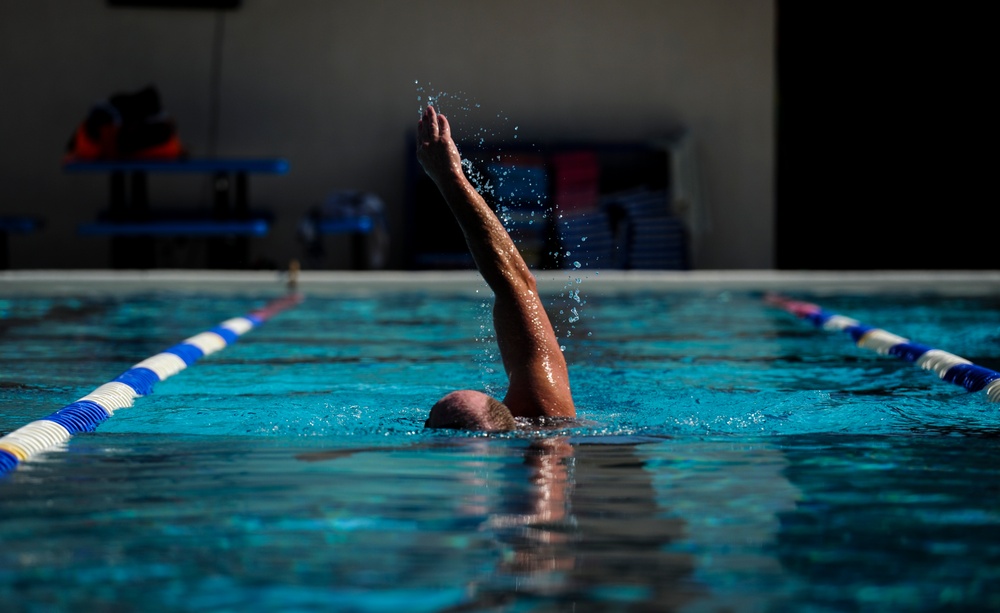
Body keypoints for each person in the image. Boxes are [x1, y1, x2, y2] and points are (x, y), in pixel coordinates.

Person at [415, 105, 575, 431]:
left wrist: (449, 179)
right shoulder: (546, 411)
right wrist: (450, 177)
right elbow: (517, 284)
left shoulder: (539, 470)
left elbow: (514, 283)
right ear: (507, 410)